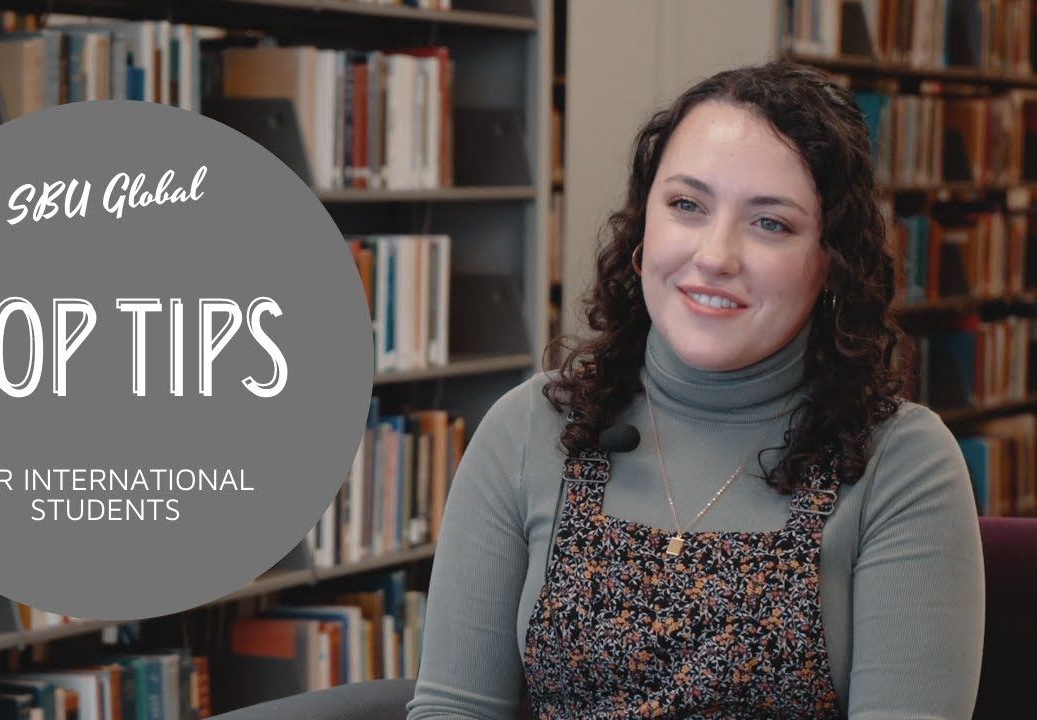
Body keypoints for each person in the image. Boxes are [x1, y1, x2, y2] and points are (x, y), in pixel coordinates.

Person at [405, 60, 986, 720]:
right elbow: (453, 710)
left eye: (770, 223)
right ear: (642, 227)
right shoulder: (529, 428)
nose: (714, 256)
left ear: (831, 262)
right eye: (687, 206)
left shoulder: (902, 463)